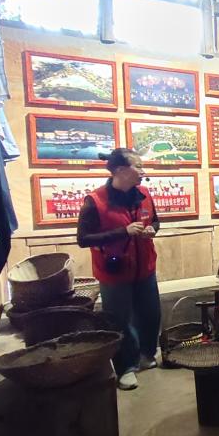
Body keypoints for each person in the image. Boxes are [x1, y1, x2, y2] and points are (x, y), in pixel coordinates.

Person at [77, 149, 162, 392]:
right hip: (114, 272)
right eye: (138, 166)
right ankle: (126, 367)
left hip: (145, 268)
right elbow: (83, 239)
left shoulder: (144, 194)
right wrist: (123, 232)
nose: (143, 171)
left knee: (151, 314)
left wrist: (152, 229)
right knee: (119, 321)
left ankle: (146, 354)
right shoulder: (95, 200)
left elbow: (155, 221)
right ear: (121, 171)